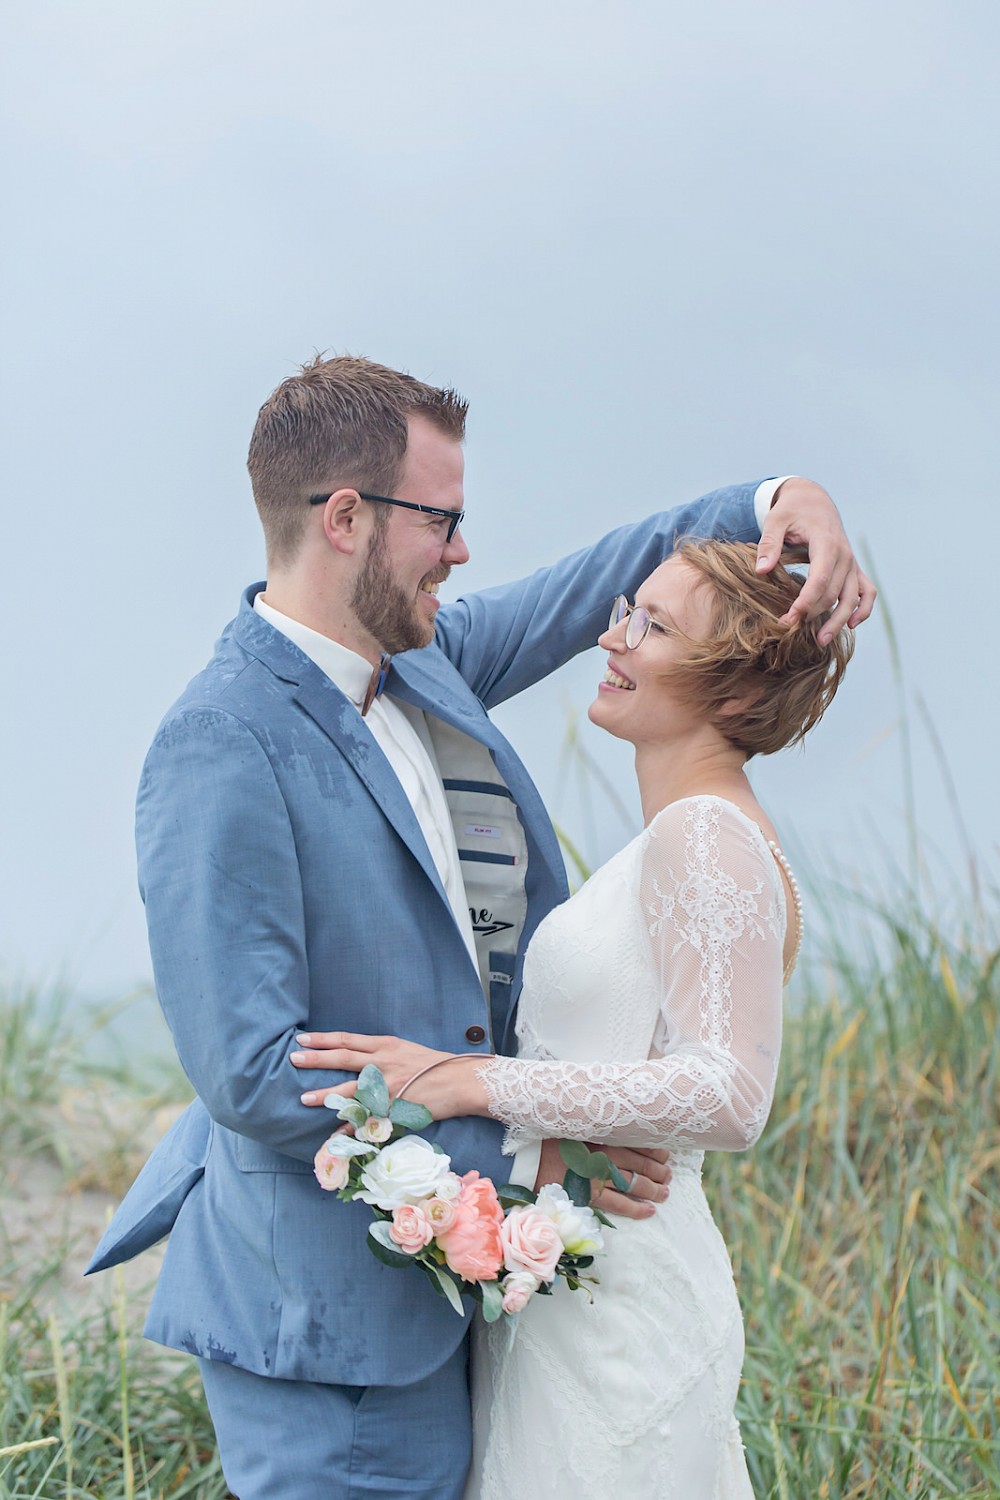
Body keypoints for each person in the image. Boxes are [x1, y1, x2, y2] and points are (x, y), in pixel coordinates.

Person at [86, 353, 873, 1500]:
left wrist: (776, 502)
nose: (463, 551)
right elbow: (254, 1072)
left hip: (468, 1303)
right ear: (347, 519)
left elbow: (593, 583)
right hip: (324, 1322)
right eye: (442, 521)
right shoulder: (221, 738)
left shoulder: (428, 664)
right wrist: (528, 1147)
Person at [292, 538, 853, 1498]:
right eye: (628, 610)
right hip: (576, 1277)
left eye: (653, 627)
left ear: (731, 687)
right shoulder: (683, 832)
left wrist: (471, 1079)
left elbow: (730, 1093)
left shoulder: (706, 834)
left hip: (623, 1309)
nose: (613, 635)